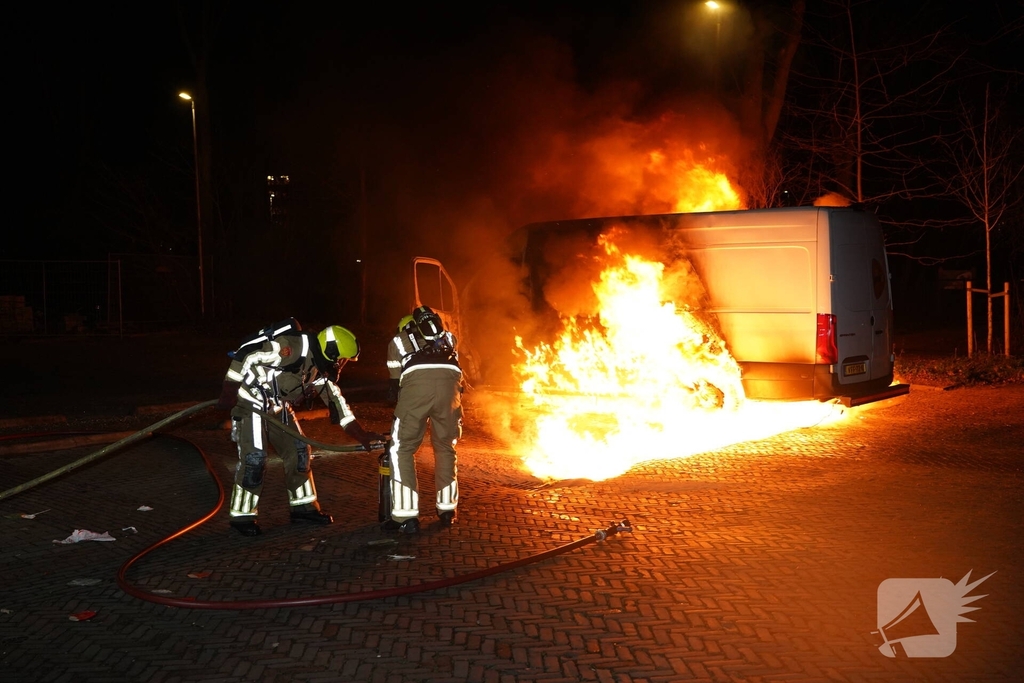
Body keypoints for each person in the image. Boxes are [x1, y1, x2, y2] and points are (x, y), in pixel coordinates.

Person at [217, 319, 385, 536]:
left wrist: (359, 433)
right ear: (332, 352)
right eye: (342, 360)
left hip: (277, 406)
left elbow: (335, 400)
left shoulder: (318, 367)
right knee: (255, 459)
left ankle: (303, 508)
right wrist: (229, 391)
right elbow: (247, 355)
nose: (342, 364)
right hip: (251, 402)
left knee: (299, 452)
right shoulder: (292, 348)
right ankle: (242, 517)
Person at [383, 305, 464, 534]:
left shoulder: (398, 341)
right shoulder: (449, 337)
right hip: (451, 388)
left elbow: (394, 381)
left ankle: (405, 517)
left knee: (402, 449)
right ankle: (447, 510)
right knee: (446, 447)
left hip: (417, 387)